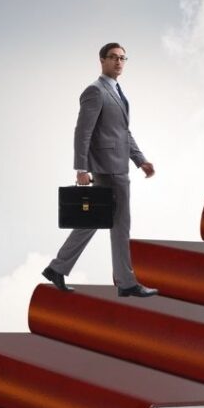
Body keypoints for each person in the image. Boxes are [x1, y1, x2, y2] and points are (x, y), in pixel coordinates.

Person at [43, 42, 158, 297]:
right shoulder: (95, 91)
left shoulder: (117, 91)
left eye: (123, 58)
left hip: (118, 165)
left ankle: (58, 268)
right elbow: (82, 132)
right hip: (109, 168)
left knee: (97, 220)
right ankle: (126, 283)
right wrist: (81, 168)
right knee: (119, 224)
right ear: (102, 61)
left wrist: (140, 160)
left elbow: (123, 132)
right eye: (114, 57)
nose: (119, 62)